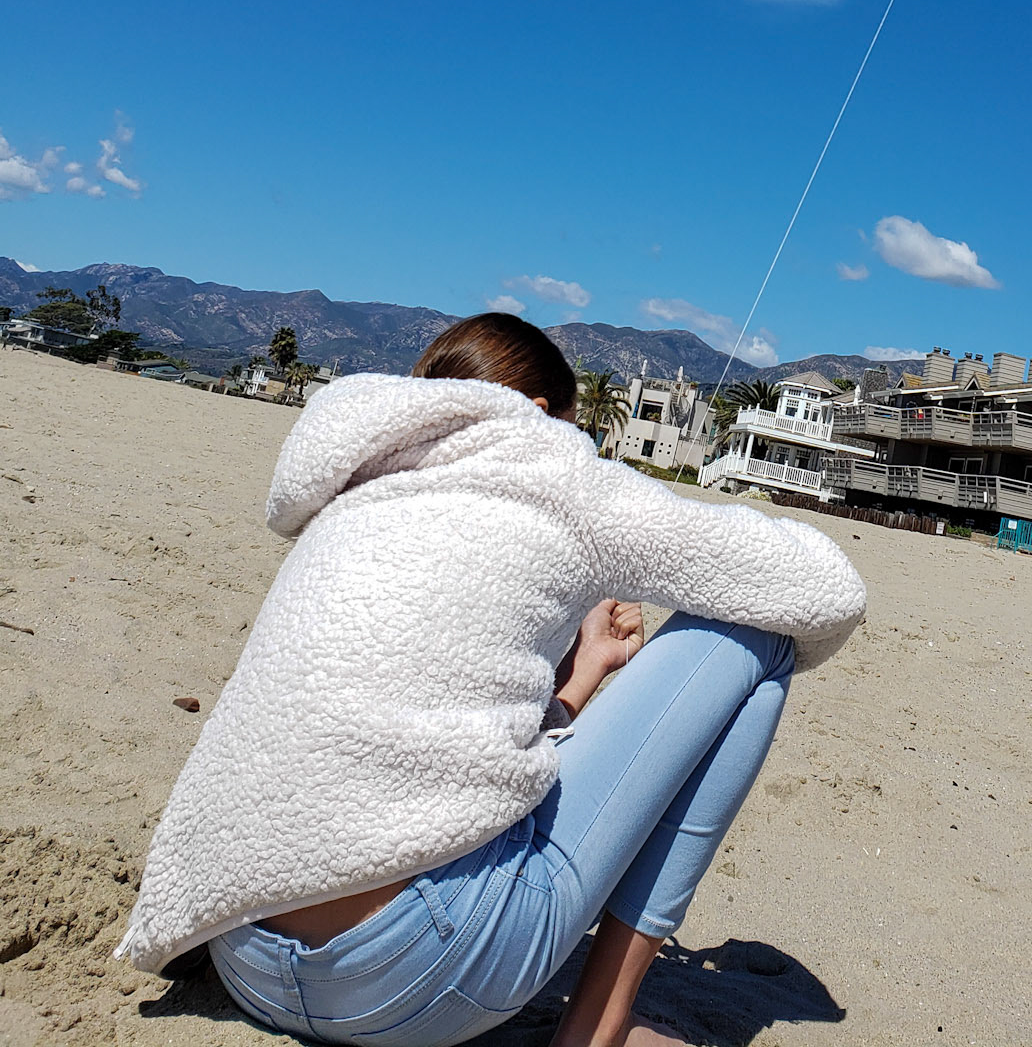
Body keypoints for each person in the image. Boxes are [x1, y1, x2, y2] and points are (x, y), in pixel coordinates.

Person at [117, 313, 866, 1047]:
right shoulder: (549, 462)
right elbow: (825, 587)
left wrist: (582, 677)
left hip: (243, 954)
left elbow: (419, 737)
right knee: (761, 635)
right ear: (538, 416)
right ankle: (599, 1028)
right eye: (577, 432)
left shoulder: (360, 480)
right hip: (410, 985)